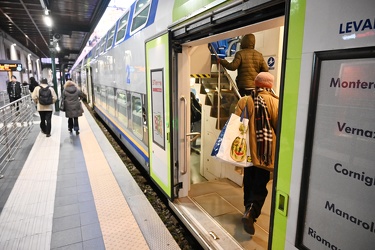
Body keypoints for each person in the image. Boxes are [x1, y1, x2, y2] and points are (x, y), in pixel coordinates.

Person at [234, 72, 279, 235]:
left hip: (246, 152)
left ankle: (247, 210)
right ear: (270, 86)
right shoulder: (275, 103)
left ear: (256, 84)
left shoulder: (245, 101)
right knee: (260, 185)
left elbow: (236, 123)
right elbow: (279, 129)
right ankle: (251, 212)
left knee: (249, 180)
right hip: (265, 153)